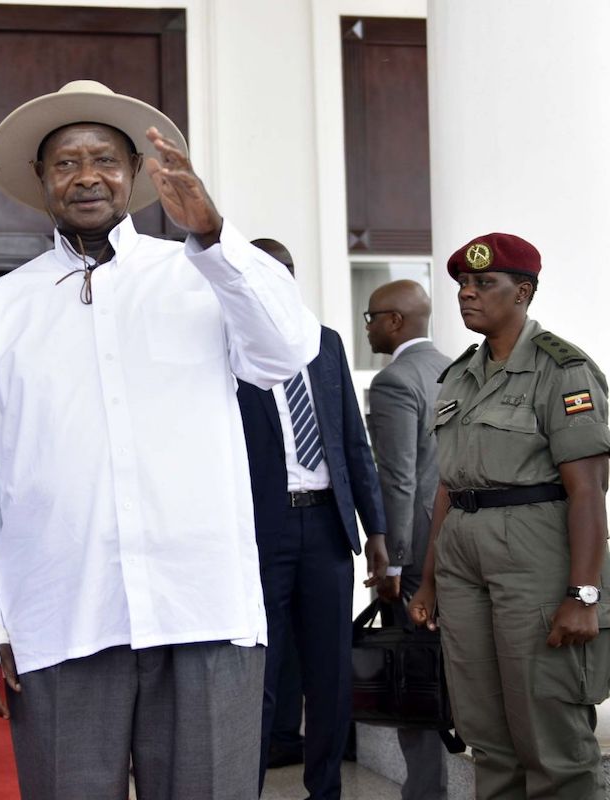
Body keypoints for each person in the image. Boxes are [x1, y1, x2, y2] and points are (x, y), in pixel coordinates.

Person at [0, 80, 320, 799]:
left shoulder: (199, 275)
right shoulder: (1, 309)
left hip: (202, 608)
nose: (87, 177)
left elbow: (287, 350)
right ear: (41, 180)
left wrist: (214, 234)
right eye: (66, 163)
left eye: (105, 160)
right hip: (64, 615)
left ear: (136, 173)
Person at [409, 233, 610, 799]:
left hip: (533, 552)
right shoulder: (459, 375)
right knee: (486, 734)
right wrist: (429, 581)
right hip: (462, 555)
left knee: (548, 732)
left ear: (522, 292)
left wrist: (584, 594)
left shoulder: (562, 369)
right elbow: (449, 486)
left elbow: (588, 491)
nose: (466, 293)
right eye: (462, 284)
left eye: (483, 283)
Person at [236, 238, 388, 800]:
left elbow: (353, 441)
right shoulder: (230, 347)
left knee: (331, 671)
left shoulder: (325, 343)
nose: (276, 282)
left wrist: (376, 530)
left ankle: (325, 791)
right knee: (261, 674)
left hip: (327, 529)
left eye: (285, 272)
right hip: (261, 533)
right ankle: (245, 788)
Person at [363, 279, 451, 800]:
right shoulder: (457, 369)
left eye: (371, 316)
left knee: (416, 676)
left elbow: (397, 477)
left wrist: (393, 564)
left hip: (416, 553)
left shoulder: (394, 380)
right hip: (459, 543)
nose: (368, 327)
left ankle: (425, 792)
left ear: (395, 321)